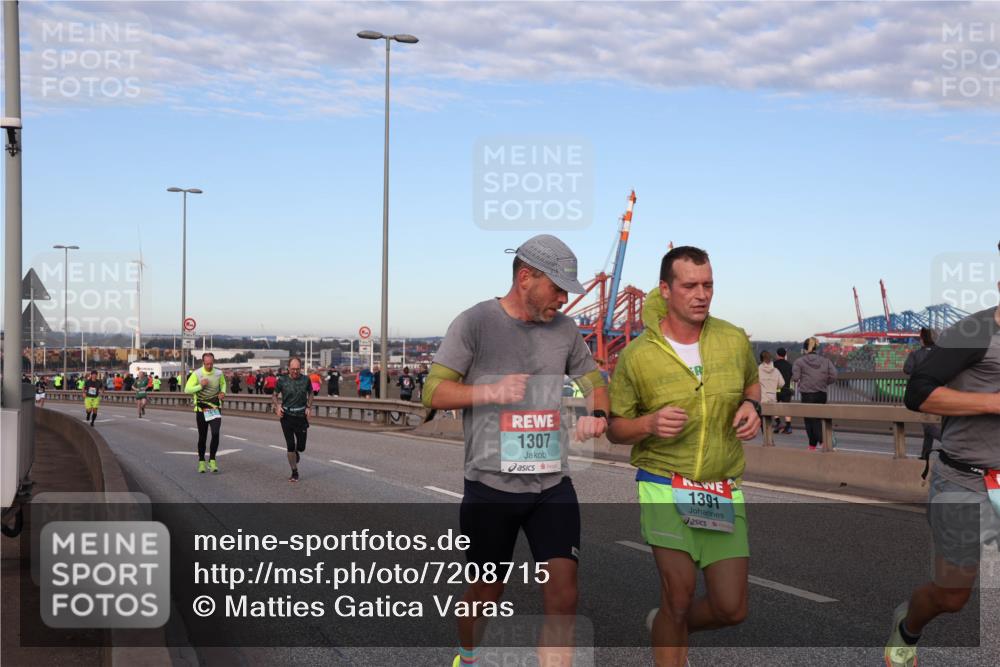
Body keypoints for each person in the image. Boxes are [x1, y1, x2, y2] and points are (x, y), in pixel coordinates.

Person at [422, 234, 609, 667]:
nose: (564, 299)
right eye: (558, 288)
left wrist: (598, 414)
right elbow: (433, 391)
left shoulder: (565, 330)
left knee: (564, 592)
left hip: (551, 486)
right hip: (490, 487)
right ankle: (467, 656)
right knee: (488, 591)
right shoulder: (475, 323)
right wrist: (490, 390)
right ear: (526, 277)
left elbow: (595, 381)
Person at [607, 246, 761, 667]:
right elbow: (616, 428)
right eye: (690, 285)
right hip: (664, 484)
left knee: (732, 608)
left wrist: (754, 408)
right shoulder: (638, 356)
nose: (701, 294)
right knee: (678, 596)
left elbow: (752, 385)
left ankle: (665, 628)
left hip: (721, 487)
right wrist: (649, 424)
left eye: (708, 284)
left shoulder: (732, 339)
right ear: (666, 289)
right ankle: (670, 628)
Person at [884, 276, 1000, 667]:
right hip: (965, 480)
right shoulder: (975, 331)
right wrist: (992, 403)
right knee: (952, 596)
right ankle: (907, 628)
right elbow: (917, 393)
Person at [184, 352, 227, 474]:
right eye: (207, 363)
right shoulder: (197, 374)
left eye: (211, 363)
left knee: (215, 433)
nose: (209, 366)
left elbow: (223, 384)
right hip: (201, 410)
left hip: (214, 408)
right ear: (203, 362)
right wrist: (200, 386)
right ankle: (201, 461)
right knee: (202, 437)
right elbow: (187, 390)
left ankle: (212, 460)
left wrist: (223, 392)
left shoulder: (219, 373)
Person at [903, 327, 942, 461]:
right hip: (941, 393)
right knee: (929, 424)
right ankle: (925, 455)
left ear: (923, 339)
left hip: (922, 394)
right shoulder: (940, 354)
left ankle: (952, 445)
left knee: (928, 425)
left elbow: (907, 370)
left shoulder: (915, 354)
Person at [791, 337, 837, 450]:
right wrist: (825, 383)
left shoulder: (799, 361)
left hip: (807, 394)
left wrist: (799, 378)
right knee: (819, 417)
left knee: (810, 421)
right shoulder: (826, 361)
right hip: (821, 393)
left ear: (804, 349)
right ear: (817, 348)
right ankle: (813, 445)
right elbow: (834, 375)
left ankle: (821, 443)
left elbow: (796, 378)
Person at [273, 356, 313, 482]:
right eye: (293, 369)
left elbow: (311, 393)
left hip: (301, 417)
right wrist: (277, 406)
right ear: (288, 368)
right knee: (290, 445)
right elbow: (274, 395)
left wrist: (309, 407)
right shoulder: (282, 380)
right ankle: (294, 472)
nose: (295, 371)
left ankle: (296, 451)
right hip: (286, 417)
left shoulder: (306, 380)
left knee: (301, 447)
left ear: (301, 368)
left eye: (298, 369)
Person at [772, 347, 794, 434]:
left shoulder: (773, 365)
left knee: (774, 407)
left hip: (776, 389)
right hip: (786, 389)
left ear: (777, 355)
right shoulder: (789, 365)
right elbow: (793, 376)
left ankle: (778, 423)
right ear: (785, 355)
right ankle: (788, 427)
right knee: (786, 408)